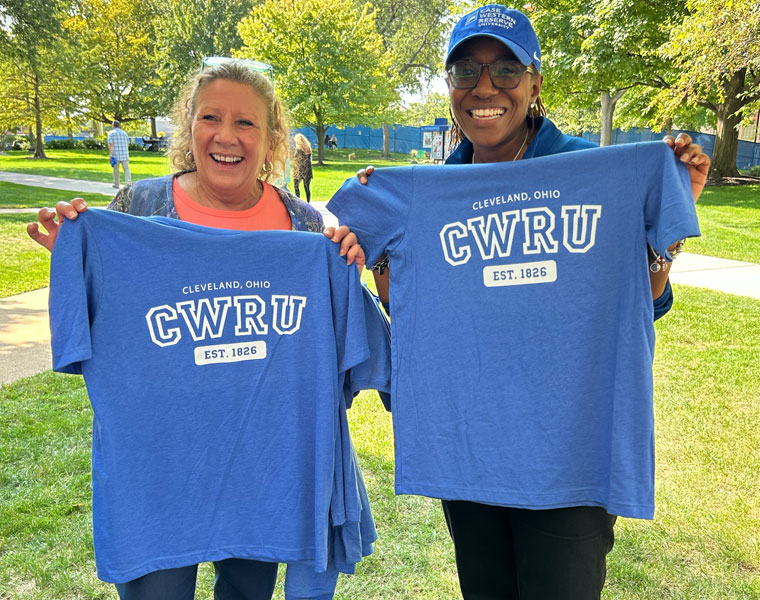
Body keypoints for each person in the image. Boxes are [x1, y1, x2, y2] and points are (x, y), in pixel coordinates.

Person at [328, 5, 710, 600]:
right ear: (448, 86)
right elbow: (408, 317)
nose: (485, 87)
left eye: (506, 69)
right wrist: (373, 260)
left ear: (535, 82)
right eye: (466, 71)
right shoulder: (423, 192)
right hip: (471, 446)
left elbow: (644, 302)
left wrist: (665, 239)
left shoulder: (597, 172)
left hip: (573, 449)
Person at [28, 60, 366, 600]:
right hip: (159, 466)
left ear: (273, 137)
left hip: (263, 461)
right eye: (211, 117)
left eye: (246, 123)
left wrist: (346, 260)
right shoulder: (137, 208)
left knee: (248, 593)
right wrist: (78, 257)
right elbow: (97, 329)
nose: (226, 136)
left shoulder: (304, 228)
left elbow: (341, 350)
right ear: (189, 126)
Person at [107, 120, 131, 189]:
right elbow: (127, 143)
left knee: (116, 170)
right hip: (125, 154)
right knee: (126, 169)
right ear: (119, 125)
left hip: (115, 154)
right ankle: (128, 183)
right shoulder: (124, 133)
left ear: (113, 126)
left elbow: (111, 145)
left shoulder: (111, 133)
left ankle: (116, 184)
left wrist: (110, 155)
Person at [292, 133, 314, 202]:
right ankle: (308, 202)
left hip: (299, 170)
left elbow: (297, 161)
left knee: (296, 186)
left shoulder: (298, 150)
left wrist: (294, 170)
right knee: (307, 187)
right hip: (308, 170)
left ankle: (298, 201)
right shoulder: (308, 149)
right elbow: (309, 161)